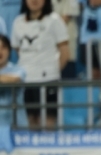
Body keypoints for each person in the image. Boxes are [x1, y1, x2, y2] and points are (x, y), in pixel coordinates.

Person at [12, 0, 68, 128]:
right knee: (31, 121)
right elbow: (18, 49)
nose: (34, 1)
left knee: (48, 123)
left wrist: (53, 71)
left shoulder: (54, 20)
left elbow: (65, 53)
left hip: (49, 80)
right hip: (26, 81)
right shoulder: (18, 22)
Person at [0, 33, 24, 131]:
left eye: (3, 47)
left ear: (9, 50)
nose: (0, 51)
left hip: (16, 127)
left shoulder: (18, 70)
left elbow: (14, 79)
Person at [51, 0, 79, 79]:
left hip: (67, 48)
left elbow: (64, 19)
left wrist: (47, 31)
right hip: (50, 53)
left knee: (67, 80)